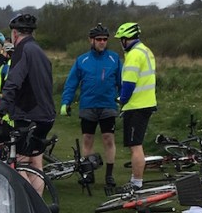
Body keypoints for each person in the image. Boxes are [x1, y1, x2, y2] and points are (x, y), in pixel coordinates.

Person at [0, 8, 55, 192]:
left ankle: (30, 207)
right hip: (45, 115)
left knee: (19, 164)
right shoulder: (39, 50)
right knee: (36, 164)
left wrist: (0, 110)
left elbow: (13, 82)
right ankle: (39, 209)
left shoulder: (22, 51)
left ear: (14, 34)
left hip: (29, 115)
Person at [60, 25, 122, 190]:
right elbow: (72, 83)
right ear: (91, 40)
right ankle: (89, 173)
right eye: (99, 39)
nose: (102, 42)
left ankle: (109, 174)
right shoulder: (82, 60)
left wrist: (125, 101)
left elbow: (121, 83)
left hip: (108, 104)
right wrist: (66, 102)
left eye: (105, 39)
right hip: (88, 105)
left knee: (108, 139)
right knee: (87, 139)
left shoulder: (114, 59)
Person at [115, 21, 157, 193]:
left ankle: (136, 183)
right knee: (136, 144)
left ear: (126, 39)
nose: (120, 43)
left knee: (135, 146)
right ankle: (136, 180)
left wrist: (121, 100)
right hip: (146, 103)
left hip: (136, 105)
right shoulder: (146, 50)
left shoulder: (133, 55)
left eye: (121, 39)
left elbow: (129, 83)